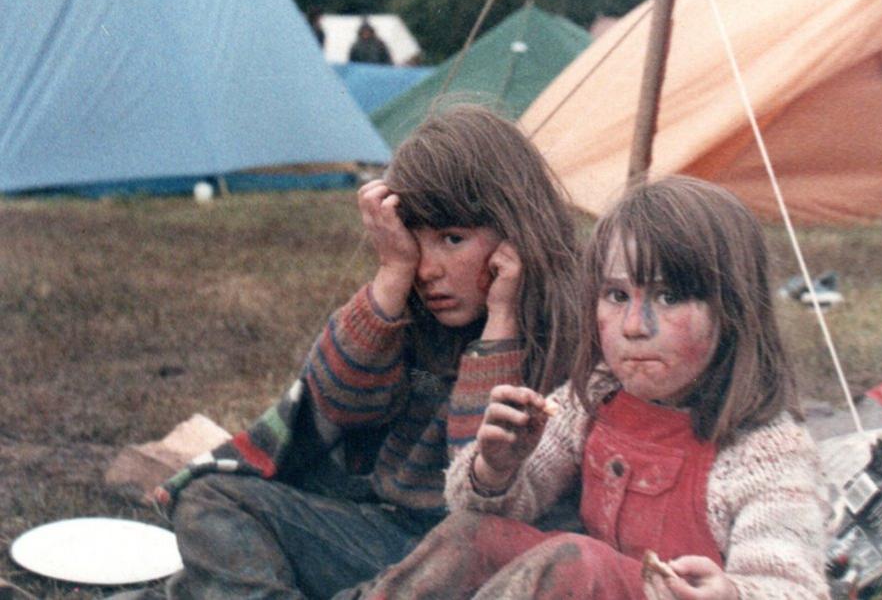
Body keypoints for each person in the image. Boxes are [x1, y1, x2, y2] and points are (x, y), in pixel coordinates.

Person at [147, 105, 580, 599]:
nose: (428, 268)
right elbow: (335, 404)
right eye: (414, 243)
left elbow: (478, 499)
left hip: (470, 558)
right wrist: (392, 273)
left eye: (453, 239)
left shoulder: (566, 331)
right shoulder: (415, 307)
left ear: (516, 234)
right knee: (210, 498)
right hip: (377, 533)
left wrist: (500, 327)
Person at [343, 176, 830, 600]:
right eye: (617, 296)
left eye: (669, 296)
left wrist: (735, 593)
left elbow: (795, 588)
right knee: (475, 534)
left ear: (734, 312)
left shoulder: (767, 450)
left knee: (576, 560)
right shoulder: (594, 399)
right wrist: (497, 466)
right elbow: (506, 505)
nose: (634, 326)